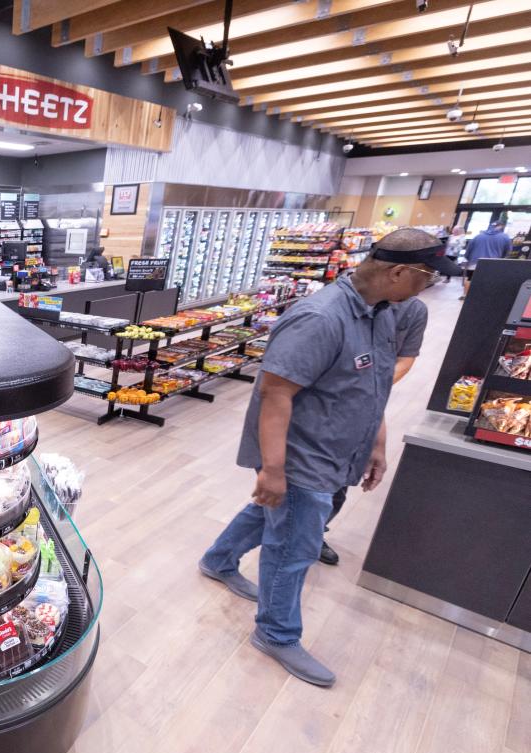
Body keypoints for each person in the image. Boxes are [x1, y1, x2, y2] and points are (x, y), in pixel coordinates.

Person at [196, 228, 460, 688]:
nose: (429, 285)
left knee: (275, 517)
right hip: (305, 455)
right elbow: (275, 392)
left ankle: (218, 560)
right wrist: (273, 469)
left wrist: (376, 442)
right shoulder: (321, 317)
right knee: (294, 548)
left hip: (340, 445)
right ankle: (276, 634)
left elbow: (374, 383)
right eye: (427, 275)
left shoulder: (381, 314)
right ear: (399, 272)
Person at [318, 295, 428, 566]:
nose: (426, 283)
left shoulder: (414, 310)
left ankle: (312, 532)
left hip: (363, 407)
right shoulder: (340, 303)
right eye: (425, 273)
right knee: (298, 488)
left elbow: (406, 358)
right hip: (324, 406)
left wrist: (372, 385)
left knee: (340, 482)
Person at [462, 221, 512, 300]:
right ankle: (482, 297)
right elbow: (507, 253)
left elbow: (468, 250)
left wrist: (468, 259)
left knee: (470, 278)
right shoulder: (505, 237)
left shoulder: (478, 236)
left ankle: (465, 296)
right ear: (502, 227)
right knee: (488, 281)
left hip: (474, 262)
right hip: (492, 264)